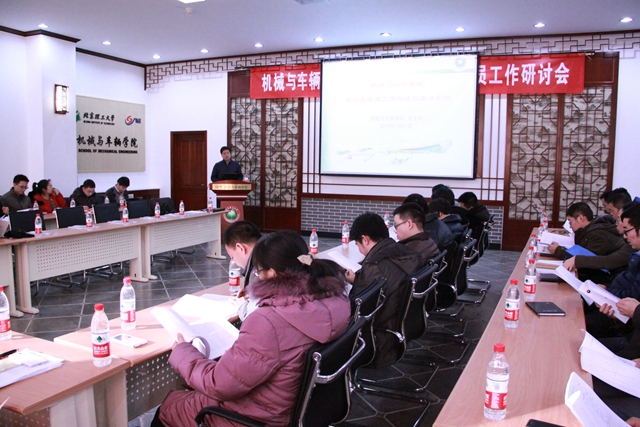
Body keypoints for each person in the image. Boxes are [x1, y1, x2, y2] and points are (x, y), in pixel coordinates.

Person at [154, 230, 350, 427]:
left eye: (259, 272)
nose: (257, 277)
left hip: (256, 416)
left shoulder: (269, 321)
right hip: (300, 408)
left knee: (169, 407)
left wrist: (183, 353)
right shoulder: (335, 301)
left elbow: (218, 385)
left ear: (272, 274)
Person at [345, 212, 421, 368]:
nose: (359, 249)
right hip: (404, 326)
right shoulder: (406, 252)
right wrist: (358, 279)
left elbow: (358, 309)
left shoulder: (374, 265)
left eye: (357, 244)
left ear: (365, 239)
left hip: (379, 342)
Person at [553, 202, 633, 285]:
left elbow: (606, 261)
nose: (616, 223)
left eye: (619, 219)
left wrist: (560, 251)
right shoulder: (592, 229)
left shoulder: (598, 234)